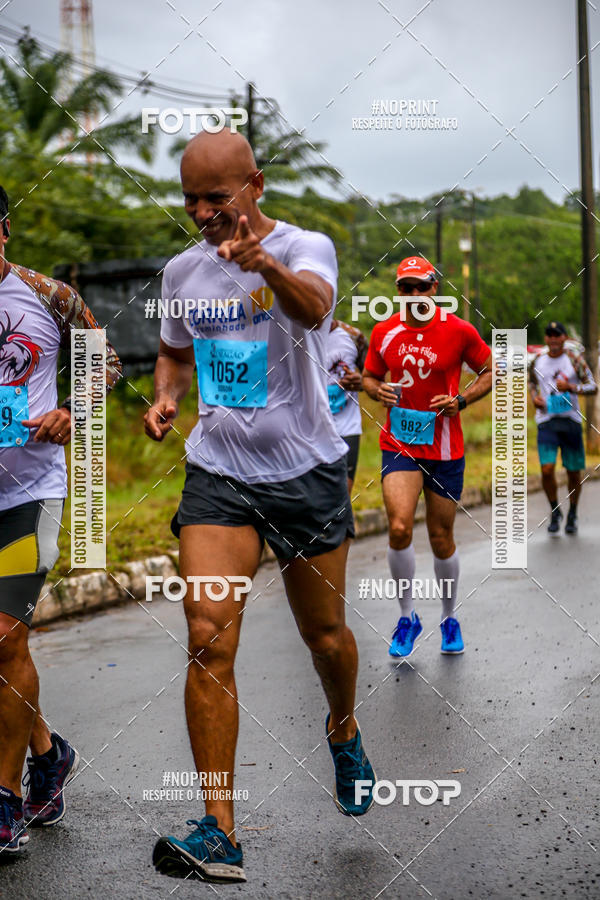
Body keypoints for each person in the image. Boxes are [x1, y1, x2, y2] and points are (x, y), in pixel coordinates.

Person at [144, 130, 375, 885]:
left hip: (306, 471)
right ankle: (219, 831)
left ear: (256, 185)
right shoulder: (183, 271)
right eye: (191, 199)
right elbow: (176, 352)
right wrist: (166, 398)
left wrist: (265, 265)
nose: (203, 213)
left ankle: (342, 728)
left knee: (327, 636)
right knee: (208, 634)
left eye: (217, 197)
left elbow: (313, 312)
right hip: (220, 472)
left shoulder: (308, 247)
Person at [0, 185, 122, 853]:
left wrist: (74, 409)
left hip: (29, 496)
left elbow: (104, 360)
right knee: (5, 650)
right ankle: (48, 754)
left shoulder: (48, 296)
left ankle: (5, 801)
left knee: (2, 638)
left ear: (5, 230)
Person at [362, 256, 492, 658]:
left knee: (441, 538)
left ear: (435, 288)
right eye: (406, 288)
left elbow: (490, 370)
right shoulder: (384, 331)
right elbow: (370, 375)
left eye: (422, 286)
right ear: (398, 291)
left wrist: (461, 399)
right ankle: (407, 617)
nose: (415, 294)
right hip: (400, 443)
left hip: (446, 447)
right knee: (400, 528)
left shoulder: (459, 330)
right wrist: (375, 390)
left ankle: (449, 617)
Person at [528, 321, 597, 535]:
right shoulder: (538, 360)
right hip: (547, 421)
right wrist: (534, 398)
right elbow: (531, 383)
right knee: (546, 469)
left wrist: (571, 387)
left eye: (557, 335)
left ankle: (573, 512)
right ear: (546, 339)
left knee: (573, 471)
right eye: (549, 335)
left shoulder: (574, 360)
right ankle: (555, 511)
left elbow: (593, 387)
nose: (553, 339)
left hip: (570, 421)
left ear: (564, 338)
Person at [326, 319, 367, 492]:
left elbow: (375, 379)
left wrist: (361, 382)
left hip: (346, 428)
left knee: (340, 499)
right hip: (305, 430)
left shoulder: (354, 337)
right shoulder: (294, 334)